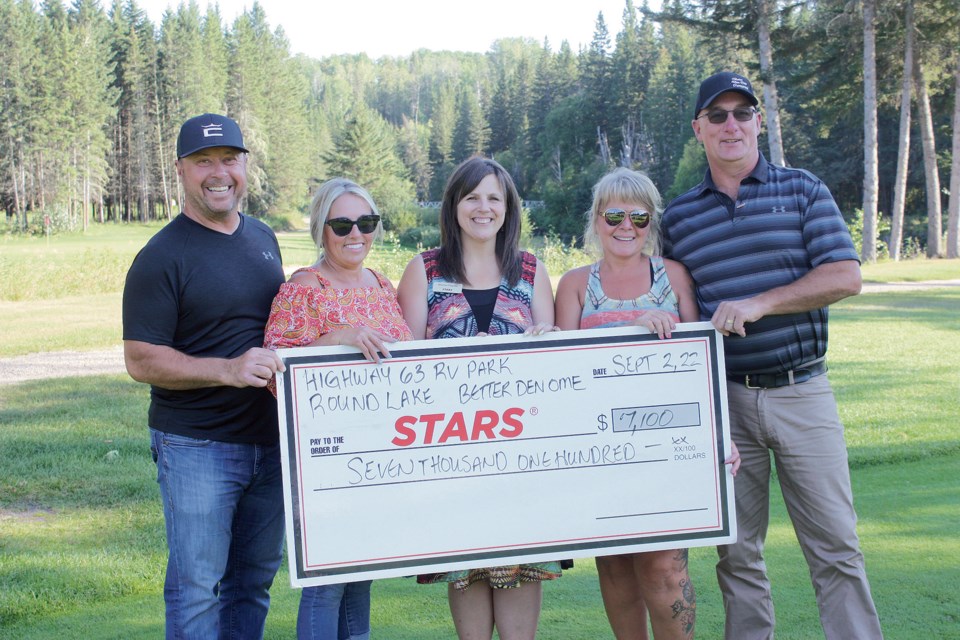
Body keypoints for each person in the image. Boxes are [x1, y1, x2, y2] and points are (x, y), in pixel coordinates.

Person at [661, 71, 884, 640]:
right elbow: (670, 301)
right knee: (736, 555)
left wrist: (760, 303)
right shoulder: (680, 219)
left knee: (836, 546)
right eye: (717, 116)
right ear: (699, 129)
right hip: (727, 404)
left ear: (759, 121)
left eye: (743, 113)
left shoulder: (803, 189)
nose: (731, 124)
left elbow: (845, 276)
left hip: (802, 390)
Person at [555, 167, 739, 640]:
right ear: (596, 219)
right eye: (614, 214)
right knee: (615, 570)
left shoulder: (673, 276)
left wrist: (721, 434)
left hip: (664, 449)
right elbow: (561, 371)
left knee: (664, 570)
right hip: (597, 451)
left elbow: (699, 364)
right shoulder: (576, 284)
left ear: (651, 222)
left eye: (639, 216)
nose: (625, 226)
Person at [122, 113, 287, 639]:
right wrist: (229, 369)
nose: (219, 173)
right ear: (181, 171)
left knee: (253, 584)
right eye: (203, 162)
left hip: (271, 441)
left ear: (244, 165)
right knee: (197, 589)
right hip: (197, 446)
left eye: (229, 160)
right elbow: (141, 359)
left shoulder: (262, 237)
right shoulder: (161, 257)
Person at [397, 156, 559, 640]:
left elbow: (554, 368)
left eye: (494, 198)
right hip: (453, 462)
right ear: (454, 206)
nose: (483, 208)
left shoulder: (532, 272)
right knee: (469, 600)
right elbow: (405, 374)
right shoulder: (423, 270)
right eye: (472, 197)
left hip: (521, 461)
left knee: (518, 596)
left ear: (508, 209)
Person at [262, 177, 413, 640]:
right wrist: (339, 337)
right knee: (327, 582)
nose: (356, 234)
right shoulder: (303, 289)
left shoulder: (382, 285)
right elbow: (273, 367)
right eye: (343, 223)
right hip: (328, 459)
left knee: (360, 573)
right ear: (321, 229)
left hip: (380, 453)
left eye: (366, 223)